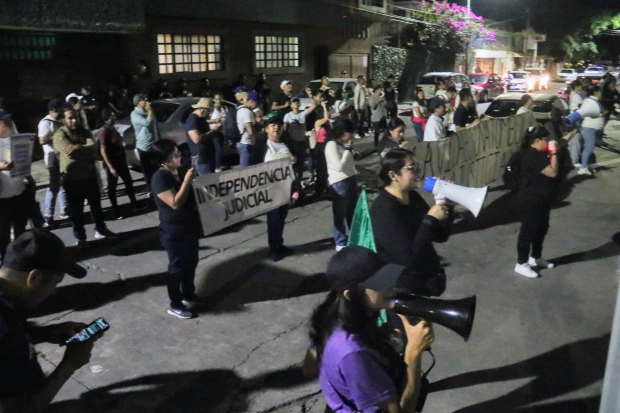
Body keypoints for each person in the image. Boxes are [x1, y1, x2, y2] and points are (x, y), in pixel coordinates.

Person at [308, 245, 434, 413]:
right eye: (379, 282)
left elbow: (309, 369)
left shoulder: (329, 315)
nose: (390, 286)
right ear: (351, 295)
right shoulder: (353, 353)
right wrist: (414, 353)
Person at [0, 230, 101, 413]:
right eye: (55, 283)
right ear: (34, 277)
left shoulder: (9, 299)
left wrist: (44, 333)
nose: (53, 292)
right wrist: (69, 365)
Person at [370, 149, 450, 296]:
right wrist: (430, 220)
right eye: (411, 168)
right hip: (405, 291)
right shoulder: (384, 210)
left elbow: (440, 236)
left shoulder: (412, 196)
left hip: (424, 282)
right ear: (393, 176)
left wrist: (445, 206)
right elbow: (407, 259)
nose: (418, 173)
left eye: (417, 166)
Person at [513, 127, 576, 278]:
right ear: (538, 140)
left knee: (542, 228)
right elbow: (553, 172)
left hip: (542, 199)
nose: (549, 143)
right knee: (528, 231)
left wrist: (572, 133)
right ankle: (521, 263)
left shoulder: (540, 152)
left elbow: (560, 142)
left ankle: (535, 257)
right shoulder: (532, 156)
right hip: (530, 200)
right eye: (546, 140)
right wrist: (553, 152)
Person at [151, 140, 202, 319]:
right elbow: (175, 202)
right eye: (174, 155)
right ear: (163, 160)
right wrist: (187, 181)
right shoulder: (160, 178)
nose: (178, 157)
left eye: (178, 153)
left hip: (189, 227)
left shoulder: (177, 172)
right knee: (177, 268)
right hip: (173, 231)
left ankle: (189, 294)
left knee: (191, 262)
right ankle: (175, 304)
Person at [54, 109, 116, 248]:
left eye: (76, 117)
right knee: (76, 211)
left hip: (89, 176)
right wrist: (85, 151)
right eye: (70, 118)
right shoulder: (59, 135)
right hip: (72, 180)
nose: (74, 120)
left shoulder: (84, 131)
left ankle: (100, 230)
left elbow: (94, 146)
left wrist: (77, 147)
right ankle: (80, 238)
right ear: (64, 120)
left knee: (96, 207)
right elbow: (69, 154)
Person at [256, 118, 295, 261]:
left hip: (284, 186)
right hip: (269, 187)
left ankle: (279, 244)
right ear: (266, 128)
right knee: (273, 219)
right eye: (272, 125)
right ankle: (273, 249)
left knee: (281, 217)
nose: (276, 128)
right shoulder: (262, 145)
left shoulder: (285, 144)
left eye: (278, 125)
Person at [97, 109, 140, 219]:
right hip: (113, 163)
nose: (114, 118)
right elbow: (103, 151)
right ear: (106, 120)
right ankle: (116, 211)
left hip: (121, 161)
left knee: (128, 182)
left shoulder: (112, 129)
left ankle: (134, 204)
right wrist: (111, 167)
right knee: (112, 187)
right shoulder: (103, 131)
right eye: (111, 116)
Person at [0, 114, 31, 262]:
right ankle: (5, 260)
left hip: (19, 191)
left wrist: (30, 178)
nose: (9, 124)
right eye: (5, 122)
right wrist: (1, 167)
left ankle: (20, 256)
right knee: (3, 232)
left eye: (9, 121)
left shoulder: (16, 139)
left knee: (20, 226)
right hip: (2, 197)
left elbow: (24, 160)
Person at [325, 119, 359, 251]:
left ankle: (355, 237)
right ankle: (340, 242)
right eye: (351, 133)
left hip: (351, 179)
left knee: (352, 212)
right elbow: (339, 167)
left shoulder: (341, 144)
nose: (353, 136)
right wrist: (348, 149)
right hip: (339, 183)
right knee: (340, 214)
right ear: (343, 132)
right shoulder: (331, 145)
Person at [37, 99, 68, 227]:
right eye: (60, 109)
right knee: (54, 186)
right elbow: (42, 140)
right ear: (54, 110)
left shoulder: (59, 122)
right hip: (52, 158)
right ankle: (48, 215)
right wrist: (56, 136)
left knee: (63, 185)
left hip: (61, 157)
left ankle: (65, 211)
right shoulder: (45, 123)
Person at [186, 98, 221, 175]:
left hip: (208, 157)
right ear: (202, 109)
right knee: (207, 182)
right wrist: (213, 131)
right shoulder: (192, 120)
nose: (210, 114)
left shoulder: (200, 118)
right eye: (209, 111)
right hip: (202, 160)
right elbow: (197, 139)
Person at [131, 94, 158, 192]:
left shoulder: (147, 112)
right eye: (144, 100)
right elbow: (147, 123)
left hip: (153, 145)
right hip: (144, 147)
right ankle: (151, 190)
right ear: (139, 103)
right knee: (148, 171)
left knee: (156, 168)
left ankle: (157, 188)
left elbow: (154, 126)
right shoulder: (135, 114)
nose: (147, 102)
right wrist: (150, 111)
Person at [578, 85, 604, 176]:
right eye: (599, 91)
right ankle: (583, 168)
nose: (601, 93)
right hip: (589, 127)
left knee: (589, 147)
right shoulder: (589, 101)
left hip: (594, 128)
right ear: (595, 92)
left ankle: (586, 165)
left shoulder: (595, 101)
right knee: (589, 147)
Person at [283, 98, 308, 182]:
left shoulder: (303, 114)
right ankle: (293, 181)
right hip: (292, 142)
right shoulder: (288, 116)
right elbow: (285, 129)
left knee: (301, 163)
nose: (296, 104)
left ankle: (300, 181)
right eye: (293, 102)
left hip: (301, 141)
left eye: (297, 102)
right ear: (291, 105)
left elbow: (314, 106)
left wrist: (310, 96)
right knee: (293, 163)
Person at [236, 91, 261, 167]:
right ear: (252, 101)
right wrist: (259, 125)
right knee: (245, 170)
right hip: (246, 144)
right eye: (257, 103)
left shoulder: (241, 110)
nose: (257, 105)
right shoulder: (246, 112)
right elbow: (250, 131)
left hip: (244, 143)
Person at [210, 93, 229, 171]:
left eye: (220, 99)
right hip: (214, 132)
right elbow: (206, 120)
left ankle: (220, 164)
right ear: (214, 100)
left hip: (223, 131)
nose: (219, 101)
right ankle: (216, 167)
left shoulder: (224, 108)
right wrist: (215, 120)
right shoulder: (211, 109)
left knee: (221, 149)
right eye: (217, 99)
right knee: (218, 150)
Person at [568, 80, 584, 166]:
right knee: (576, 140)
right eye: (580, 86)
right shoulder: (576, 96)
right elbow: (578, 108)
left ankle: (573, 158)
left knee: (573, 140)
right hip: (575, 120)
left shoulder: (572, 94)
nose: (581, 87)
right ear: (577, 86)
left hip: (572, 119)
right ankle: (574, 160)